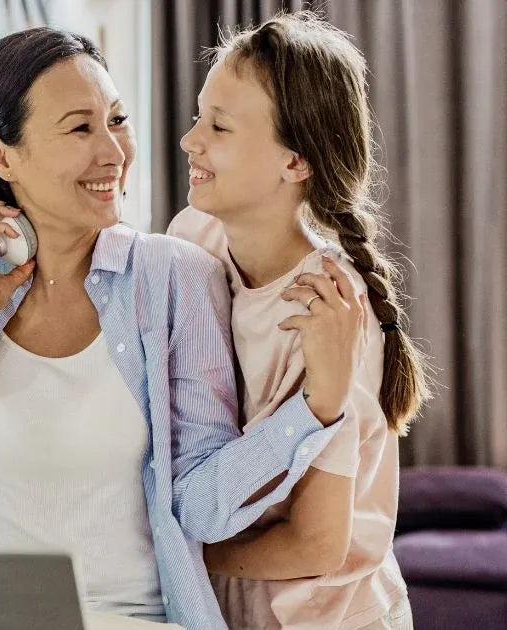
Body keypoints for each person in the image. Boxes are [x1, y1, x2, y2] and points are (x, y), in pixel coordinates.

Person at [0, 27, 357, 629]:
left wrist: (315, 410)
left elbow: (197, 509)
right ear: (0, 156)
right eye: (80, 128)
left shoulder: (177, 279)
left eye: (117, 119)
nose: (115, 151)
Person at [167, 12, 430, 630]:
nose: (190, 140)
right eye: (200, 115)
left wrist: (171, 553)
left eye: (220, 127)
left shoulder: (330, 309)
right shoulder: (193, 238)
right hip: (224, 606)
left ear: (295, 163)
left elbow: (315, 545)